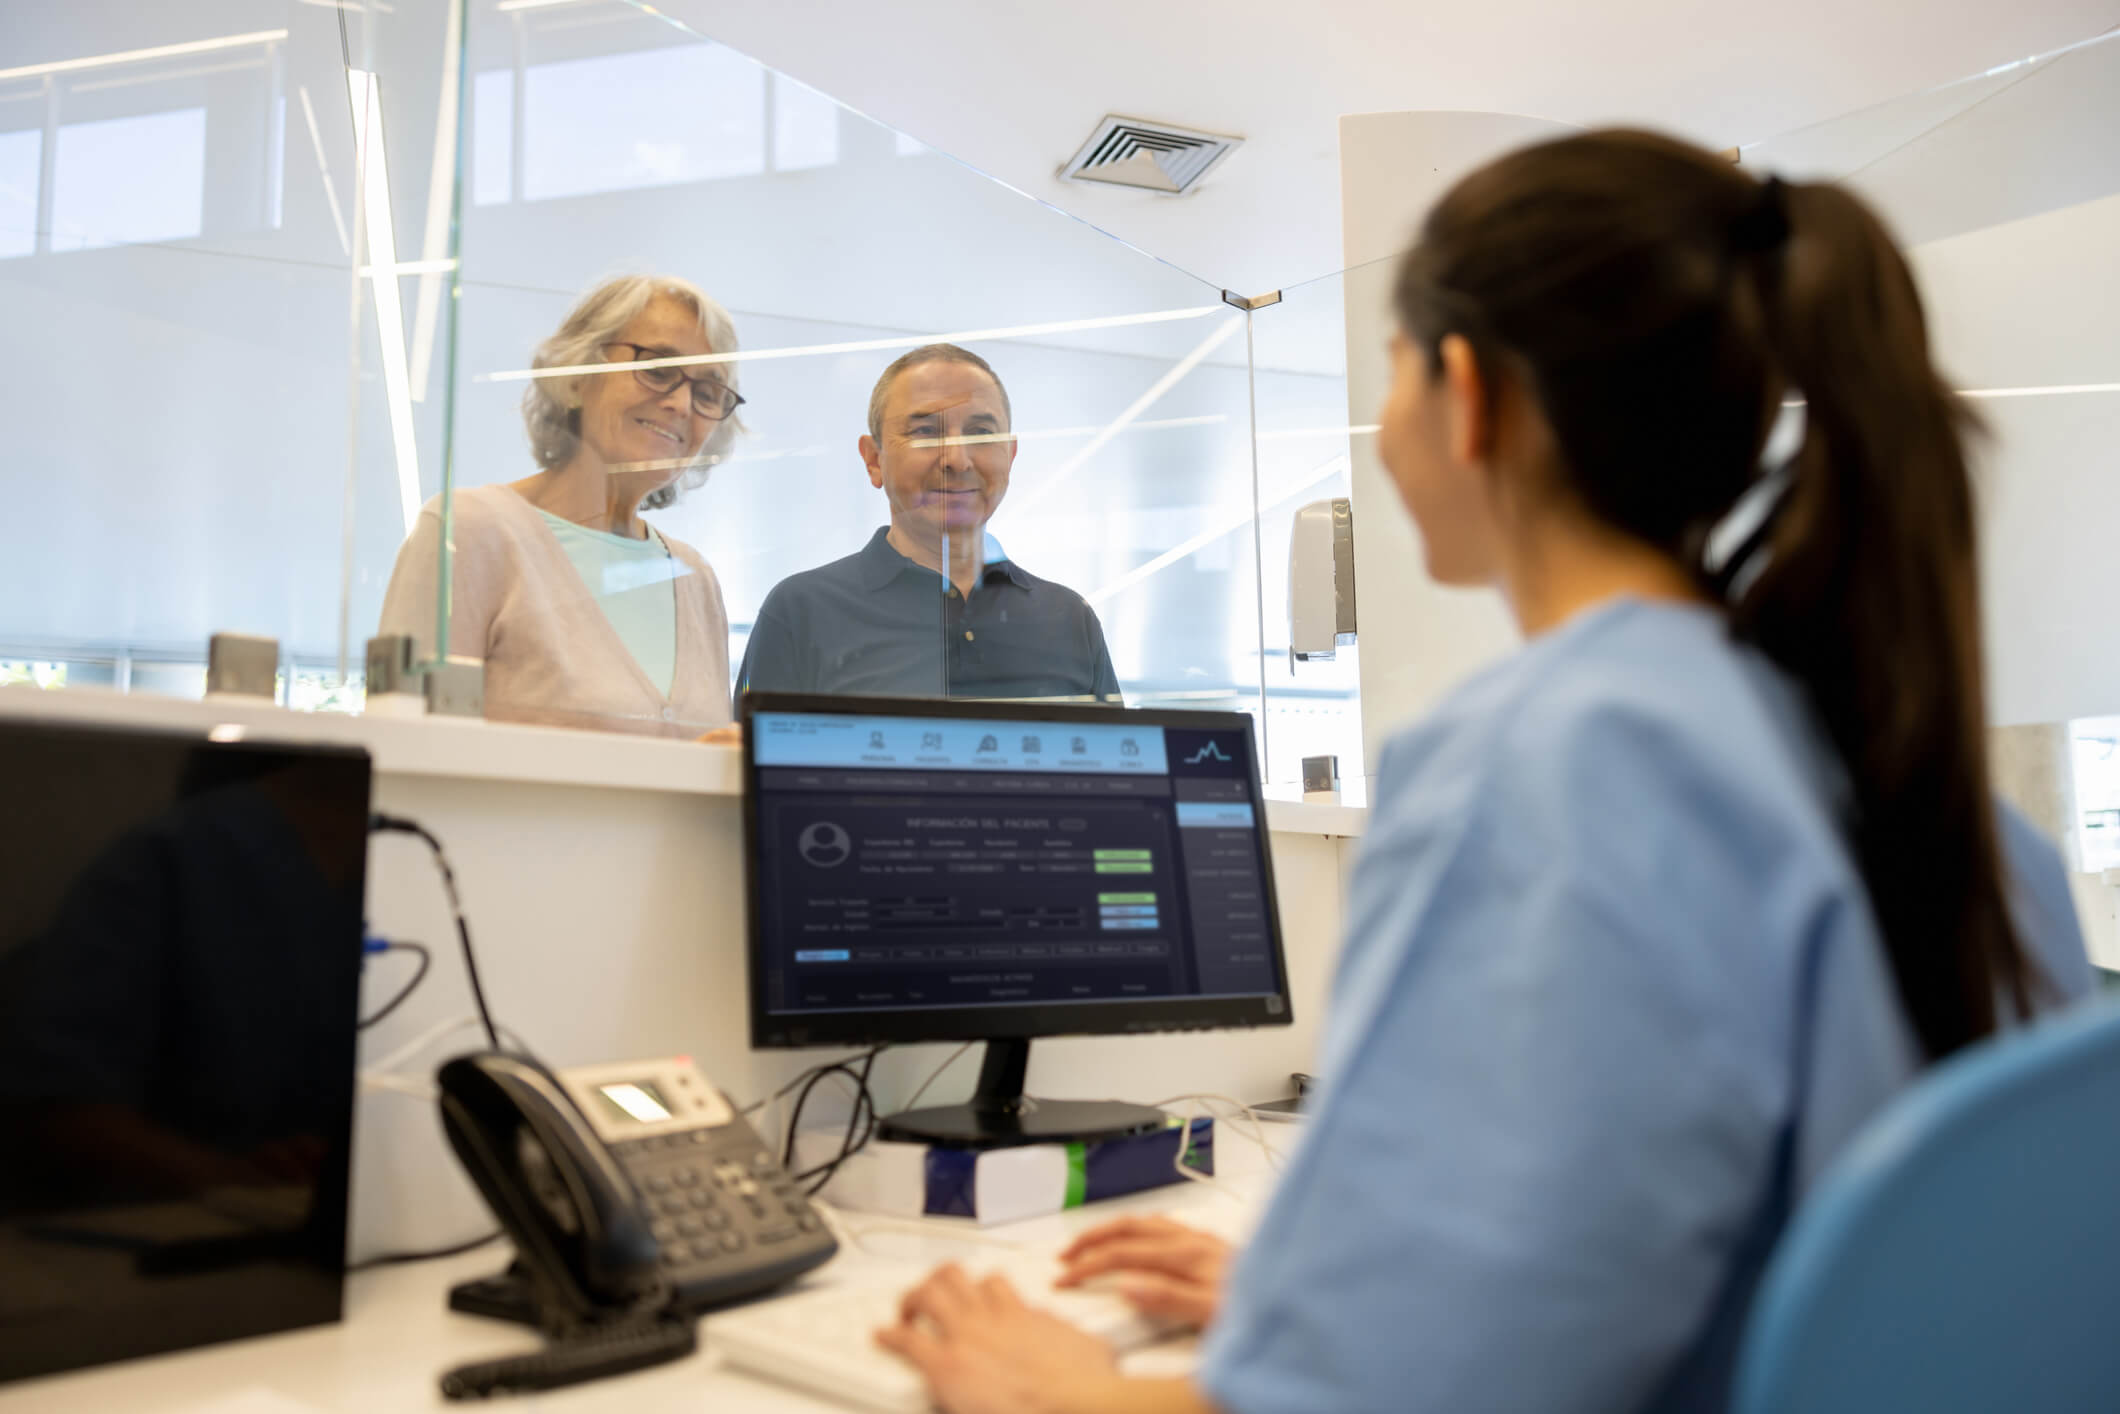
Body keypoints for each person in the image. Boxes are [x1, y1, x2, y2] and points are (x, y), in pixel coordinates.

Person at [874, 130, 2097, 1414]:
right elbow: (1798, 1270)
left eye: (1392, 367)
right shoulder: (1933, 799)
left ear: (1468, 394)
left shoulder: (1546, 764)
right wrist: (1335, 1302)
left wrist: (1058, 1389)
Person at [378, 274, 743, 736]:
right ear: (574, 377)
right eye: (657, 368)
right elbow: (405, 749)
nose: (682, 403)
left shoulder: (696, 580)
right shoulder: (467, 532)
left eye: (708, 392)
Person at [735, 344, 1120, 702]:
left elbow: (1117, 772)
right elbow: (747, 770)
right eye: (924, 432)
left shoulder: (1069, 619)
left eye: (981, 433)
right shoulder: (801, 611)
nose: (957, 459)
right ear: (873, 460)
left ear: (1011, 455)